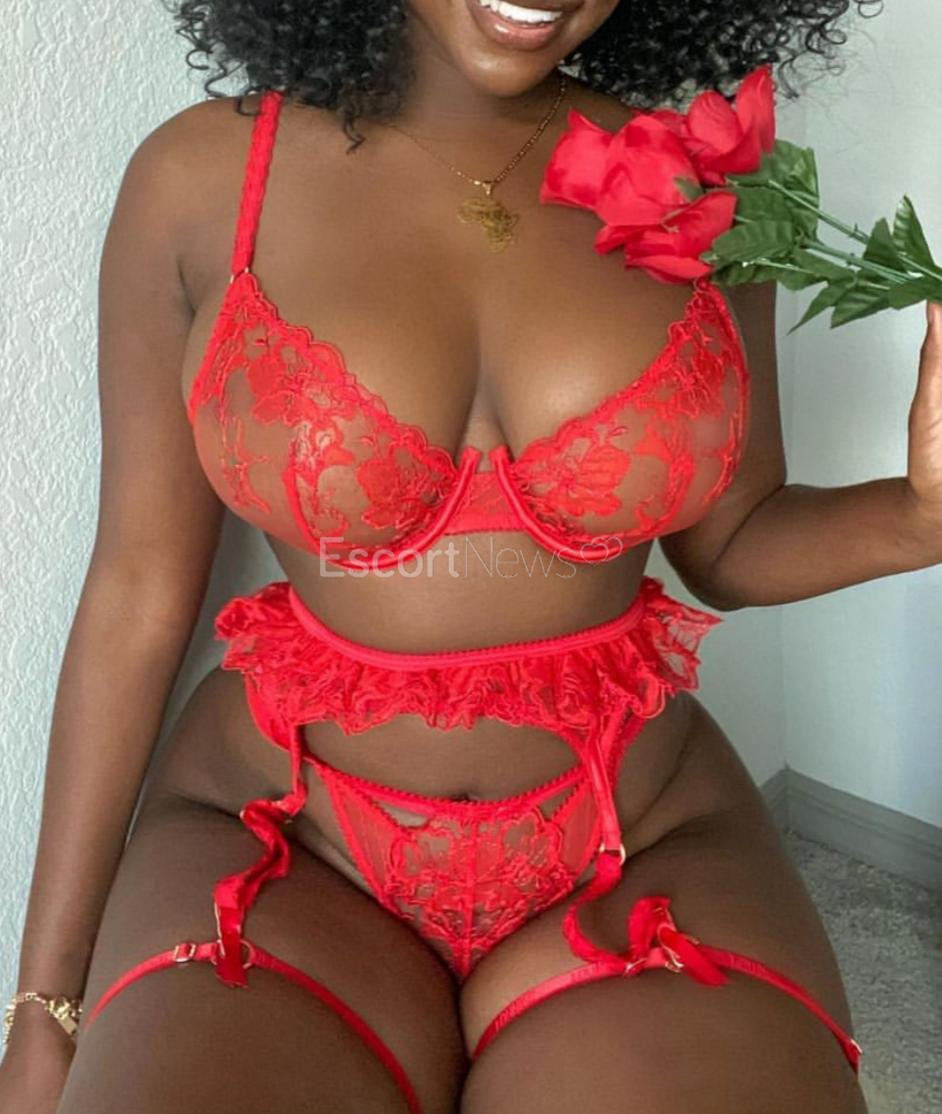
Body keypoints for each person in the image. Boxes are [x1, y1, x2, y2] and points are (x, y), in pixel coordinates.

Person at [2, 1, 940, 1111]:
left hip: (638, 835)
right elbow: (137, 594)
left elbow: (731, 541)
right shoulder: (199, 180)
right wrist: (44, 1007)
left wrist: (921, 515)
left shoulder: (701, 180)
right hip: (284, 835)